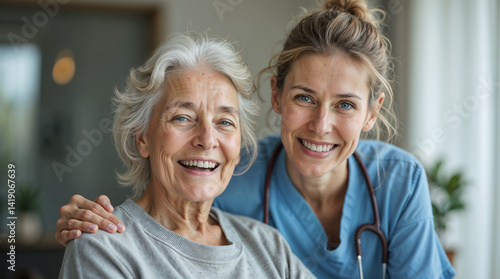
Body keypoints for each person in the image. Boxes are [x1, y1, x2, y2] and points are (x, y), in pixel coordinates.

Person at [56, 0, 455, 278]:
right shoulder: (231, 177)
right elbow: (160, 215)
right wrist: (91, 220)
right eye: (305, 98)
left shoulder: (269, 243)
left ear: (373, 112)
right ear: (277, 95)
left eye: (346, 105)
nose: (320, 124)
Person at [58, 33, 315, 279]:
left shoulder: (269, 246)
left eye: (224, 122)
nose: (207, 139)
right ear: (142, 138)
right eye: (182, 118)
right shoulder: (104, 248)